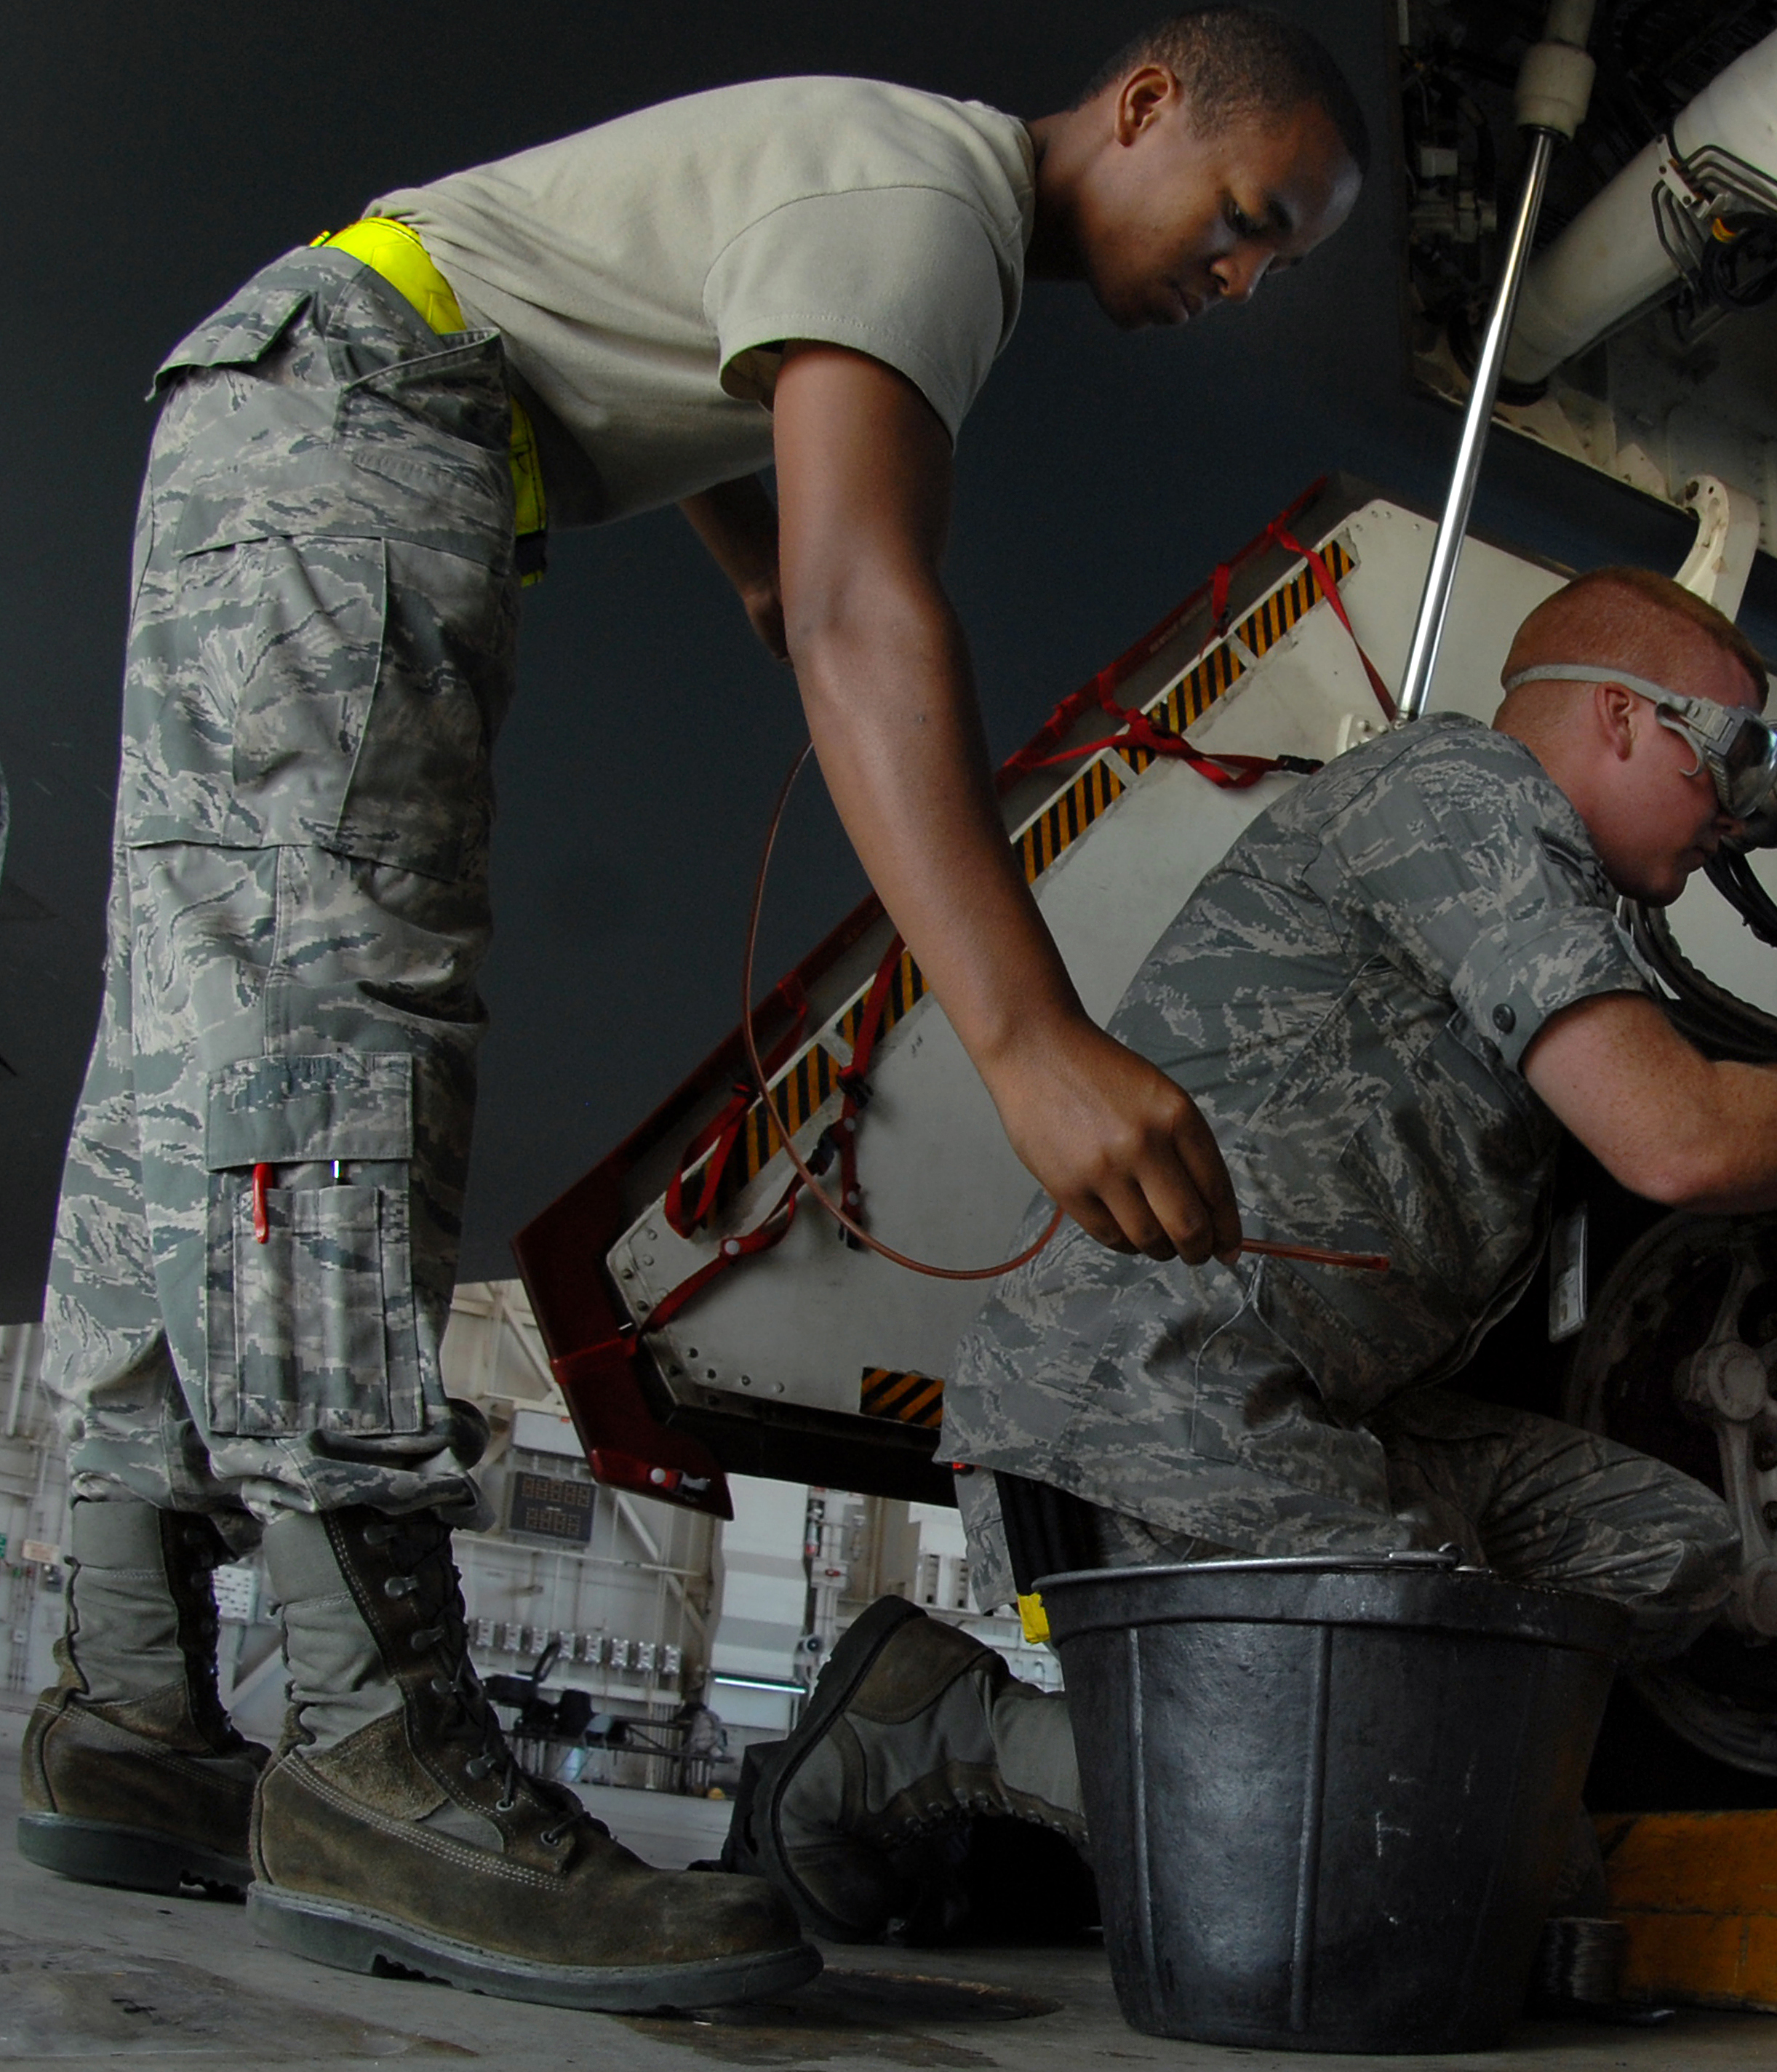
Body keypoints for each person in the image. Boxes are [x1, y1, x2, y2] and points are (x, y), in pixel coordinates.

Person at [18, 9, 1367, 2012]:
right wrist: (1028, 1039)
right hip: (365, 418)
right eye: (1249, 218)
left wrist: (747, 547)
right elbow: (865, 602)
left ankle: (126, 1703)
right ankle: (382, 1740)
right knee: (328, 1016)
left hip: (290, 400)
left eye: (1276, 267)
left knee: (193, 1033)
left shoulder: (876, 179)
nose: (1239, 278)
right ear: (1150, 104)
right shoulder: (937, 205)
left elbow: (735, 430)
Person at [727, 566, 1777, 1942]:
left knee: (1674, 1550)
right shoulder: (1462, 796)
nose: (1740, 812)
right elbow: (1679, 1142)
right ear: (1624, 721)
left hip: (1330, 1420)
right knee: (1412, 1844)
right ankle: (941, 1724)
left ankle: (1400, 1753)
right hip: (1151, 1394)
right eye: (1731, 754)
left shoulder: (1569, 910)